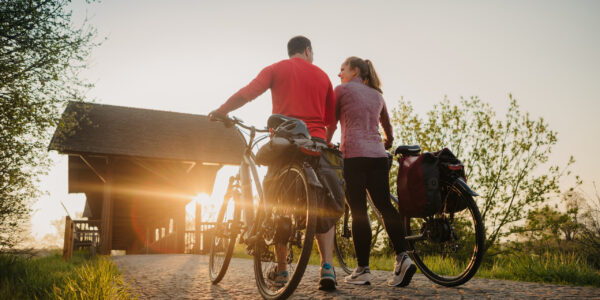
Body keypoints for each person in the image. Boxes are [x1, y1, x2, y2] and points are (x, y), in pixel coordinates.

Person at [209, 36, 339, 290]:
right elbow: (331, 119)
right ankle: (327, 268)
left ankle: (281, 271)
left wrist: (222, 110)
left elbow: (248, 93)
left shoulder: (275, 69)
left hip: (284, 143)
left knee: (275, 204)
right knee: (321, 205)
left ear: (290, 52)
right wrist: (325, 140)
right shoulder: (323, 76)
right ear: (308, 51)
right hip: (315, 146)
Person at [334, 56, 416, 287]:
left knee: (359, 210)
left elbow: (331, 120)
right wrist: (387, 141)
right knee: (386, 206)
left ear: (355, 71)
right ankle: (403, 257)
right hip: (378, 156)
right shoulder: (377, 95)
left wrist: (325, 139)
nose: (339, 73)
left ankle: (362, 270)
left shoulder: (341, 90)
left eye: (342, 69)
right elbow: (387, 127)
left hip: (353, 155)